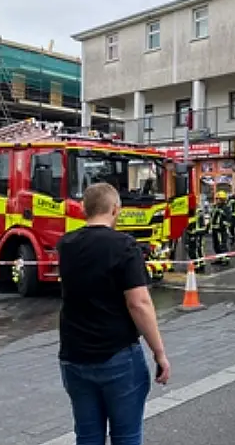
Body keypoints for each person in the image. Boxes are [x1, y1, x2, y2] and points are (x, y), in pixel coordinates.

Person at [57, 182, 170, 445]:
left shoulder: (66, 245)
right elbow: (139, 303)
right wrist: (159, 353)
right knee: (126, 437)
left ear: (84, 209)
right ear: (115, 209)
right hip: (117, 357)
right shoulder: (124, 246)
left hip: (74, 357)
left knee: (87, 437)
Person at [210, 190, 232, 266]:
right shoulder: (215, 207)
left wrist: (223, 225)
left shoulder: (226, 208)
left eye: (219, 199)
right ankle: (219, 258)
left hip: (221, 230)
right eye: (216, 199)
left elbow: (228, 219)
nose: (217, 200)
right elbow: (212, 217)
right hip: (214, 229)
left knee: (222, 245)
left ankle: (225, 260)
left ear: (223, 200)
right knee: (215, 245)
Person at [185, 202, 208, 272]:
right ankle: (200, 264)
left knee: (196, 249)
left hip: (197, 235)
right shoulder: (189, 213)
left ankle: (198, 265)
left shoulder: (199, 214)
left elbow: (204, 227)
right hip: (191, 234)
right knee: (194, 249)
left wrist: (195, 232)